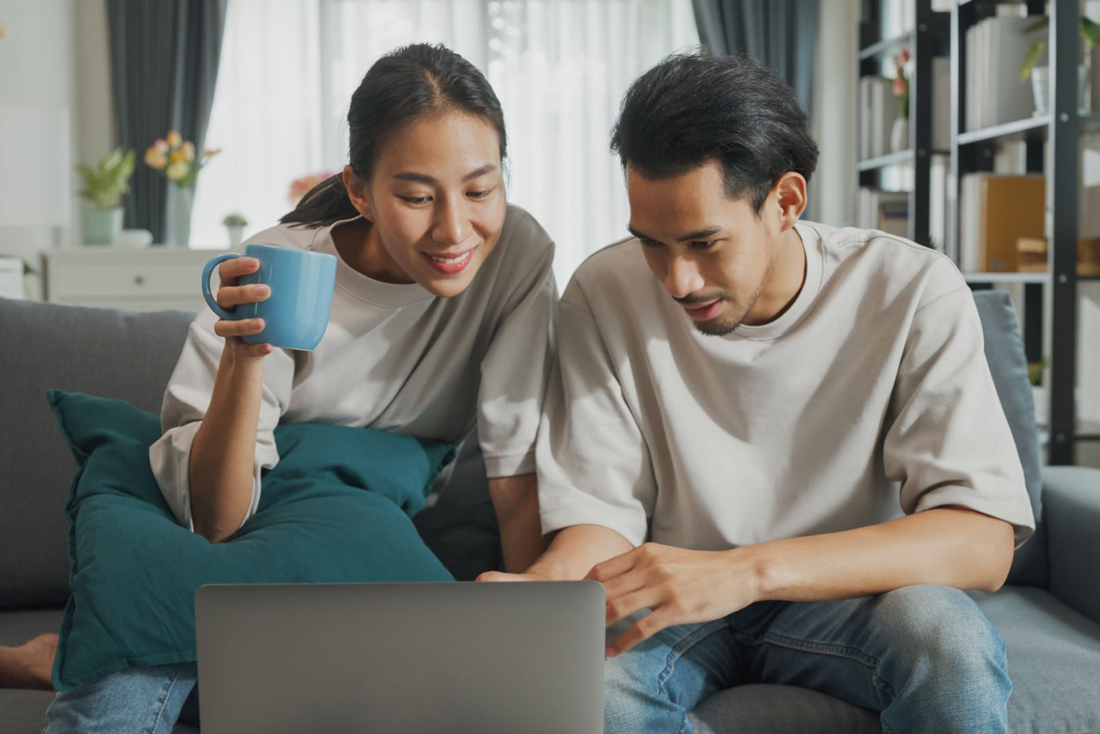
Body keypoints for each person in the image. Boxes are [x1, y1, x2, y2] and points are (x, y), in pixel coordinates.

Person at [2, 43, 557, 733]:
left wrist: (540, 630)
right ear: (359, 190)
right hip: (217, 496)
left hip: (346, 515)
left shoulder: (517, 256)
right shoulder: (281, 262)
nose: (454, 229)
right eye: (416, 196)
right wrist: (246, 357)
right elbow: (218, 517)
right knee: (134, 645)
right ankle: (81, 663)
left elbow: (514, 462)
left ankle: (61, 658)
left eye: (480, 189)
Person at [481, 52, 1036, 734]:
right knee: (592, 695)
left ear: (785, 201)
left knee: (946, 641)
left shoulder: (912, 290)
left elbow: (982, 543)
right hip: (672, 608)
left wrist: (745, 573)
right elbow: (601, 512)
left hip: (850, 597)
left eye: (704, 242)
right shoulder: (603, 293)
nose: (677, 279)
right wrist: (547, 587)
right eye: (652, 243)